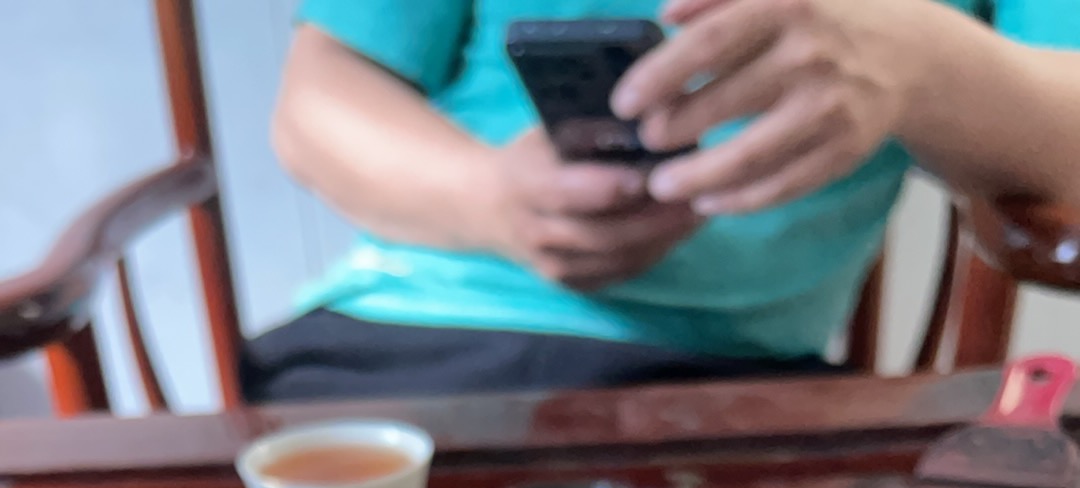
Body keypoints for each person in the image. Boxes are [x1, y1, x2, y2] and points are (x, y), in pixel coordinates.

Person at [244, 0, 1080, 401]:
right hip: (390, 348)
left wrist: (921, 58)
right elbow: (315, 99)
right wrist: (490, 201)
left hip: (743, 391)